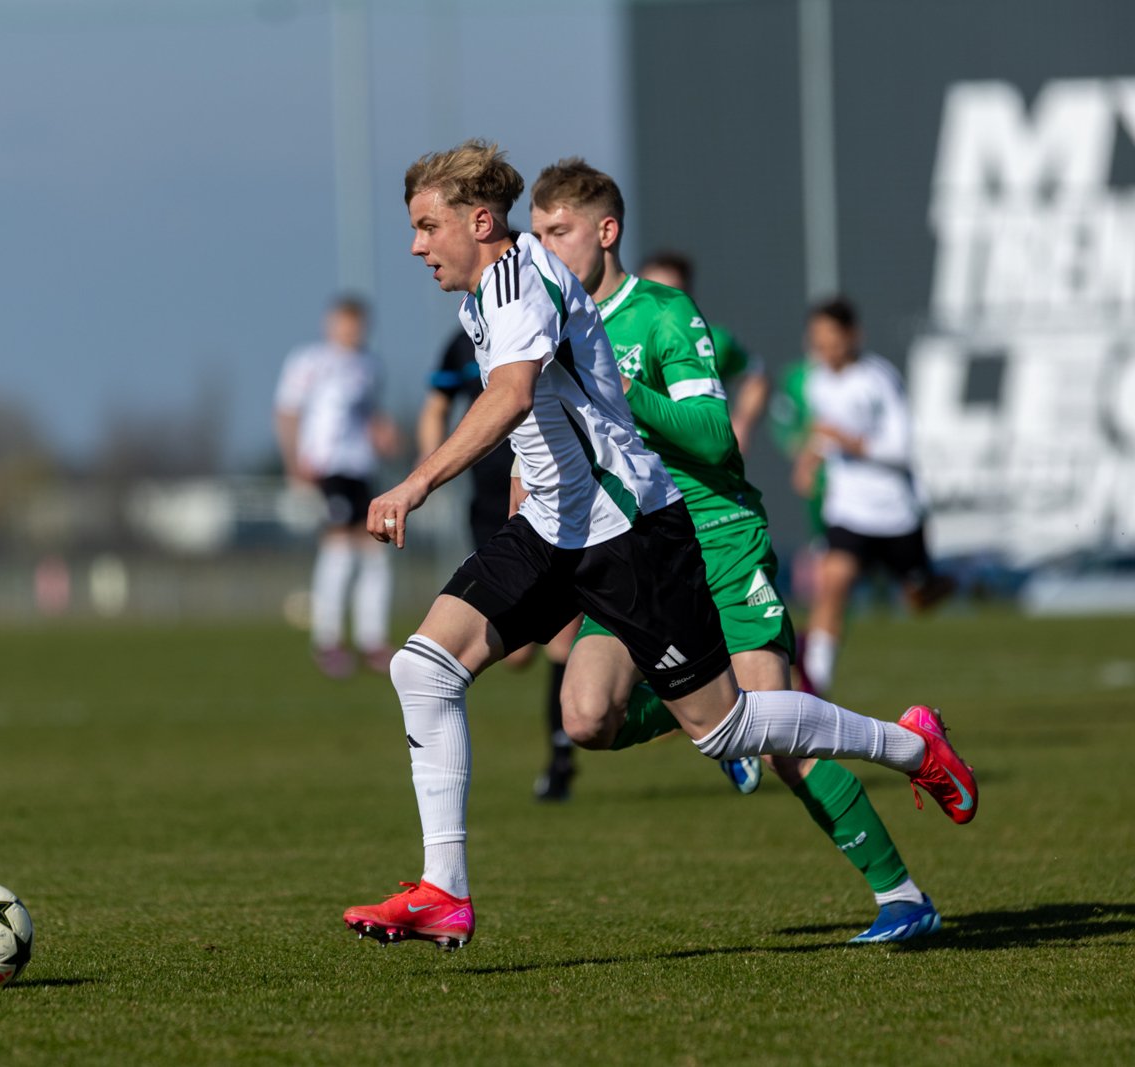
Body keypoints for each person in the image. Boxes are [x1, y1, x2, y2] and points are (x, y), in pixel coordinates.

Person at [340, 140, 977, 951]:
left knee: (726, 727)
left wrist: (412, 482)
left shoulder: (527, 280)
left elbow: (513, 394)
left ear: (479, 221)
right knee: (430, 668)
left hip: (629, 532)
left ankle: (913, 745)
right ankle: (444, 891)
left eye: (427, 227)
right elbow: (536, 413)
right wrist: (522, 487)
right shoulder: (490, 294)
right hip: (555, 529)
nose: (416, 246)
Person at [528, 158, 940, 942]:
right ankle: (708, 717)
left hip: (717, 538)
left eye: (560, 232)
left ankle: (905, 897)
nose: (546, 250)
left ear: (606, 232)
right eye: (538, 235)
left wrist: (614, 386)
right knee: (586, 717)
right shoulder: (551, 326)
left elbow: (715, 438)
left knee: (781, 742)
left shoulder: (662, 313)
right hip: (630, 552)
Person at [417, 334, 581, 801]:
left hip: (547, 498)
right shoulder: (456, 344)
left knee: (563, 633)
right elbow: (435, 407)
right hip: (487, 506)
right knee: (517, 653)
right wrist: (430, 470)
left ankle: (561, 758)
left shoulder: (533, 325)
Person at [793, 298, 955, 695]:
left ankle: (944, 582)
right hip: (849, 509)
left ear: (853, 336)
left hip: (895, 512)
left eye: (832, 340)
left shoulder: (879, 379)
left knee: (919, 600)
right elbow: (822, 434)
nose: (825, 349)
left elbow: (901, 449)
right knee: (833, 584)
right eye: (818, 341)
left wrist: (845, 441)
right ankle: (815, 686)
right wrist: (810, 458)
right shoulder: (816, 381)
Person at [274, 295, 400, 677]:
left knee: (375, 550)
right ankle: (327, 640)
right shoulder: (310, 361)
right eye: (345, 322)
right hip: (327, 465)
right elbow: (287, 411)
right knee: (340, 544)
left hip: (361, 465)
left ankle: (372, 639)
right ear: (331, 324)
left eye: (357, 324)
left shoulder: (370, 365)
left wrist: (382, 432)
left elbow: (366, 413)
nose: (351, 330)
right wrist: (294, 460)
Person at [637, 251, 770, 455]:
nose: (659, 303)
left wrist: (741, 423)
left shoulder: (712, 340)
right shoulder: (615, 337)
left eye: (669, 294)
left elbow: (755, 378)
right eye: (651, 292)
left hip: (695, 463)